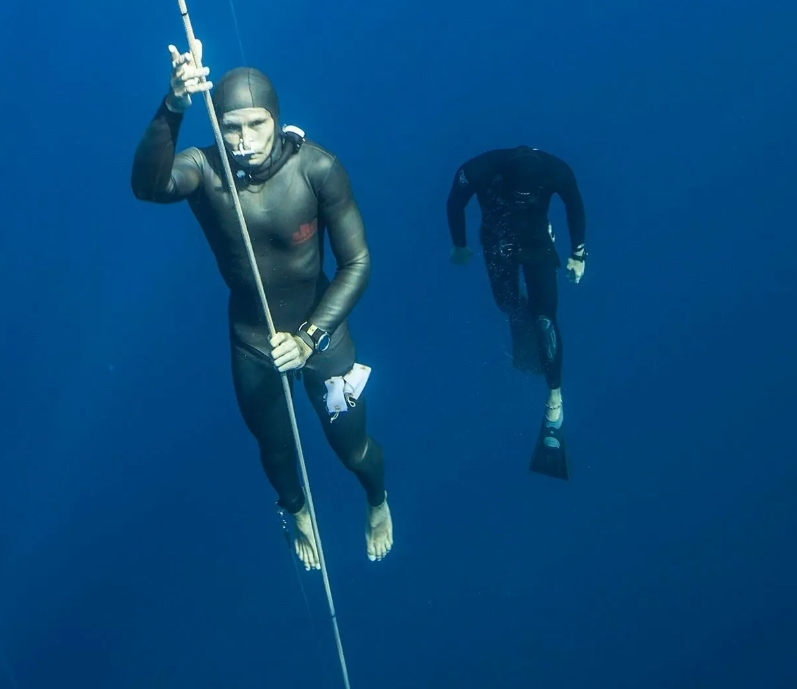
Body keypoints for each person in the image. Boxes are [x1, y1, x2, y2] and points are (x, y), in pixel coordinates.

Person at [130, 38, 393, 567]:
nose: (244, 140)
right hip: (253, 342)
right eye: (231, 127)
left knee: (353, 448)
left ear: (276, 119)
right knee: (275, 451)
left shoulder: (317, 169)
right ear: (216, 124)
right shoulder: (205, 170)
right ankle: (296, 511)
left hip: (321, 336)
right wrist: (173, 105)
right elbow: (149, 186)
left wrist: (308, 338)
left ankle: (378, 500)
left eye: (256, 125)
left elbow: (358, 264)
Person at [445, 145, 587, 480]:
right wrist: (460, 244)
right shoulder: (479, 169)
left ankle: (555, 399)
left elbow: (574, 204)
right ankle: (521, 316)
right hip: (498, 240)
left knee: (545, 319)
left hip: (537, 240)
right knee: (508, 304)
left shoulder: (556, 171)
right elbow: (455, 201)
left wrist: (578, 253)